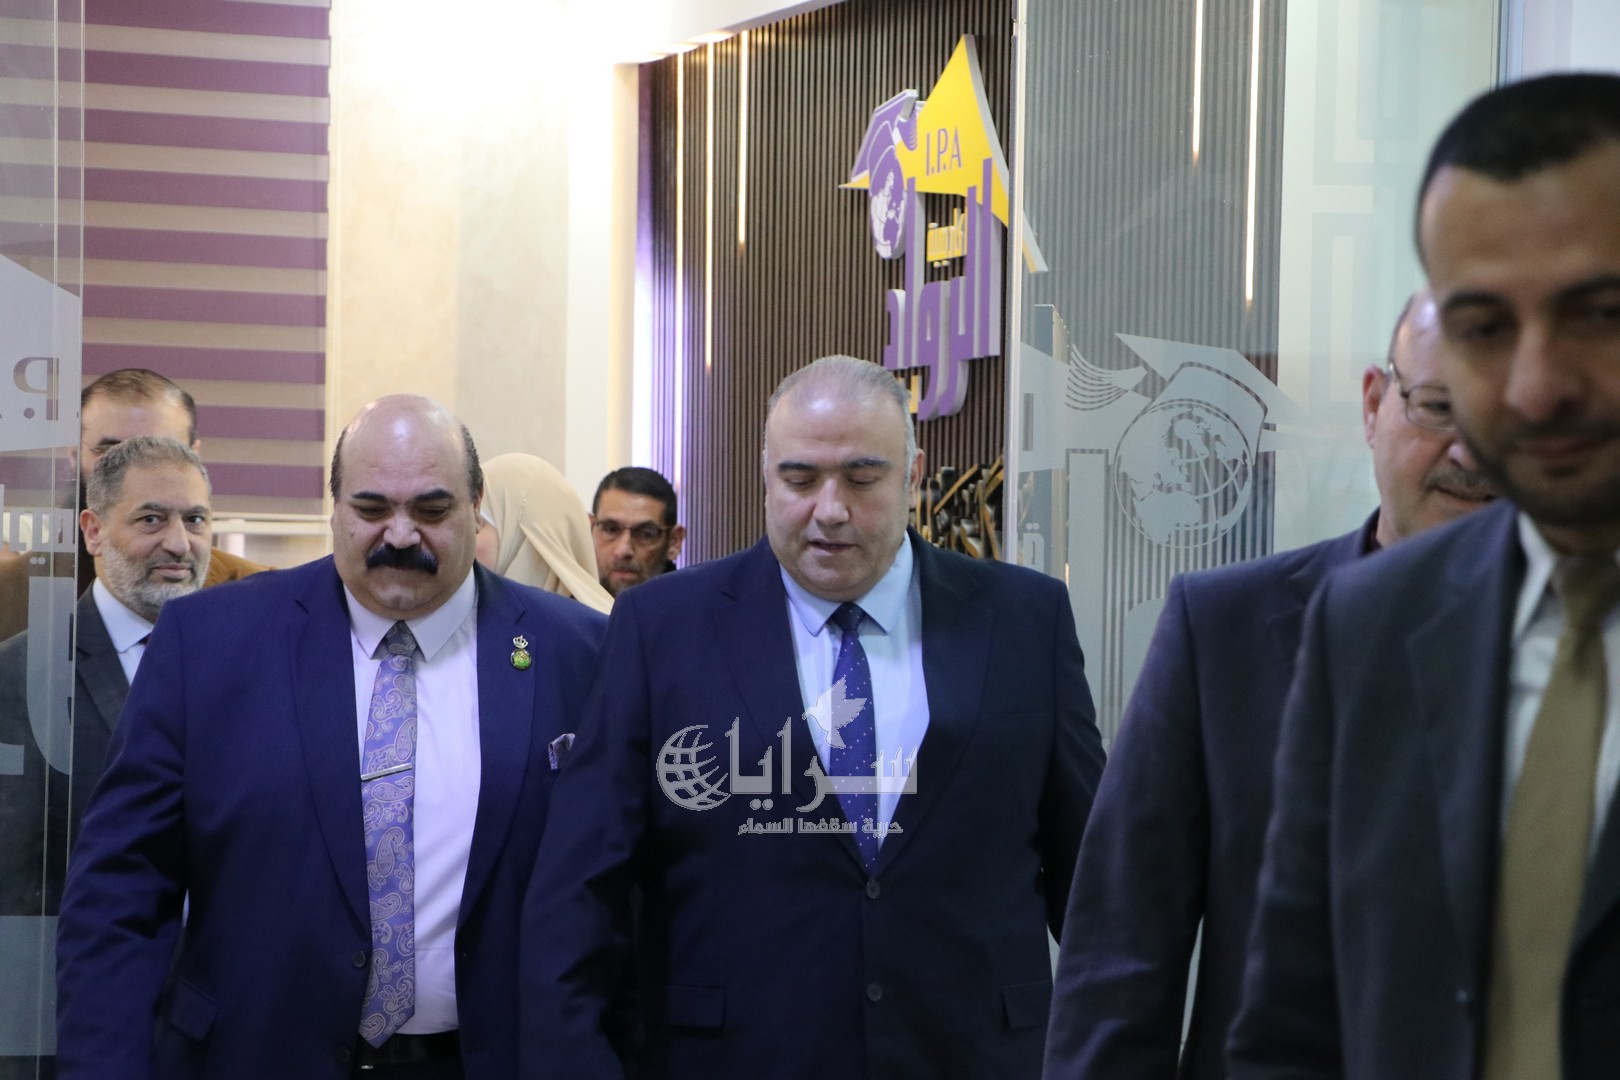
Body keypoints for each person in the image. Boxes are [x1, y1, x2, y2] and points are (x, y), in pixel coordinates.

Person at [523, 354, 1106, 1079]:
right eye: (800, 479)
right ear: (766, 478)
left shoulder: (1024, 620)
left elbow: (1097, 883)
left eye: (862, 478)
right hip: (733, 1057)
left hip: (975, 1055)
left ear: (913, 477)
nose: (830, 509)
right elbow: (580, 885)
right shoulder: (661, 628)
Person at [1228, 73, 1620, 1080]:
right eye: (1486, 328)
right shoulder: (1370, 624)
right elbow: (1294, 1034)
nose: (1536, 386)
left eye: (1598, 315)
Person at [55, 395, 607, 1079]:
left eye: (431, 510)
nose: (400, 534)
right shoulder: (210, 642)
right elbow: (121, 893)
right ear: (335, 507)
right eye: (371, 509)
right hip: (252, 1060)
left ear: (475, 506)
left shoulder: (580, 653)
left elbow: (623, 900)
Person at [1041, 292, 1497, 1080]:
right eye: (1438, 407)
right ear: (1374, 404)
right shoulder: (1223, 632)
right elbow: (1119, 958)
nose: (1472, 453)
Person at [0, 436, 213, 913]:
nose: (179, 543)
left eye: (195, 520)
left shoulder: (247, 664)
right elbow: (12, 882)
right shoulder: (19, 676)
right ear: (93, 532)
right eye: (151, 519)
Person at [0, 368, 266, 643]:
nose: (135, 470)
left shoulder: (258, 597)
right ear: (75, 456)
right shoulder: (9, 596)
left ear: (194, 456)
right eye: (111, 452)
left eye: (160, 450)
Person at [476, 453, 614, 614]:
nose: (463, 539)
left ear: (526, 538)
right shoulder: (462, 622)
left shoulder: (602, 628)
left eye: (479, 523)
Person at [590, 465, 685, 596]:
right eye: (611, 529)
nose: (623, 550)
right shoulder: (564, 604)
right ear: (590, 529)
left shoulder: (696, 607)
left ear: (674, 542)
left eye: (646, 534)